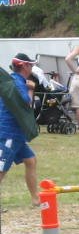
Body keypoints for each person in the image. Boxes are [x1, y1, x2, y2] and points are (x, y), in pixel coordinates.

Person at [0, 53, 40, 207]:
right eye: (31, 65)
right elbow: (26, 106)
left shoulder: (12, 81)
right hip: (9, 133)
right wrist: (30, 89)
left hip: (16, 134)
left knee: (30, 161)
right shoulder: (18, 84)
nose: (32, 68)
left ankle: (35, 199)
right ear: (24, 66)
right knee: (1, 169)